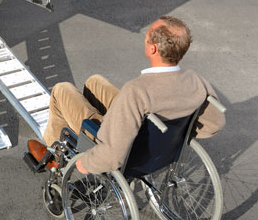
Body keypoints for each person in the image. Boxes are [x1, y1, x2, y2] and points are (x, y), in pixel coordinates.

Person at [30, 15, 225, 175]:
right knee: (94, 82)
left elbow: (113, 153)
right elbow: (214, 124)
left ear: (152, 49)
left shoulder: (137, 90)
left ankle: (55, 157)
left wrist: (87, 163)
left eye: (147, 36)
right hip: (151, 137)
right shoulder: (195, 81)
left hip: (119, 144)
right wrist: (175, 135)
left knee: (62, 90)